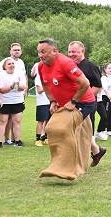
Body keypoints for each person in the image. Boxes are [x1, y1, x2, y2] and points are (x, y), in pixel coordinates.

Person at [36, 38, 105, 181]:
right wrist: (53, 101)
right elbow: (46, 85)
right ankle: (97, 151)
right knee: (81, 132)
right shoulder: (41, 67)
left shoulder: (65, 63)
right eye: (39, 52)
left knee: (59, 128)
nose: (41, 55)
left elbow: (85, 83)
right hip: (64, 103)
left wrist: (73, 101)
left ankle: (64, 168)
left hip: (84, 102)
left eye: (44, 52)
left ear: (54, 51)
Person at [67, 41, 104, 156]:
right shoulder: (69, 65)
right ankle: (97, 151)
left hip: (86, 105)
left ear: (82, 51)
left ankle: (83, 156)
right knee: (78, 131)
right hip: (72, 104)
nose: (72, 54)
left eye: (75, 52)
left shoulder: (89, 65)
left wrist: (84, 99)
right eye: (69, 52)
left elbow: (97, 86)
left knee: (84, 131)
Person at [0, 43, 27, 145]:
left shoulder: (20, 66)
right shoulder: (1, 73)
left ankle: (17, 140)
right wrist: (11, 86)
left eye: (18, 50)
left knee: (17, 120)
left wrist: (19, 87)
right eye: (15, 50)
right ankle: (2, 140)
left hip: (17, 99)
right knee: (4, 121)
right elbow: (0, 88)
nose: (11, 65)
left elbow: (23, 84)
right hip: (5, 100)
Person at [98, 63, 111, 138]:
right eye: (109, 68)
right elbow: (105, 87)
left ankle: (109, 130)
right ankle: (101, 130)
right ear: (105, 69)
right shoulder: (104, 78)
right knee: (105, 115)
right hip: (106, 97)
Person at [32, 62, 50, 146]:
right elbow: (39, 90)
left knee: (49, 121)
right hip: (42, 102)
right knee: (41, 121)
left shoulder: (49, 76)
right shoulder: (38, 78)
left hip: (50, 101)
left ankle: (46, 137)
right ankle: (38, 139)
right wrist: (48, 86)